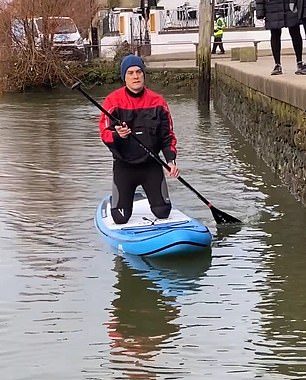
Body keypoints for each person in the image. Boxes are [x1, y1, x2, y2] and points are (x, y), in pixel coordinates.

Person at [99, 54, 179, 225]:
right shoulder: (112, 101)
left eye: (138, 72)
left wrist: (171, 161)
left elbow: (168, 136)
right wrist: (117, 135)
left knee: (163, 213)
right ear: (124, 77)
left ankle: (156, 202)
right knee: (120, 219)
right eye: (130, 73)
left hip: (151, 165)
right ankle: (118, 201)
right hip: (125, 166)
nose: (135, 76)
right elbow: (104, 134)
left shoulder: (158, 102)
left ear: (143, 74)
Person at [256, 0, 306, 75]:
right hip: (272, 7)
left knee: (295, 32)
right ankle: (277, 64)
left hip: (290, 5)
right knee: (275, 34)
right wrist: (260, 12)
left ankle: (299, 62)